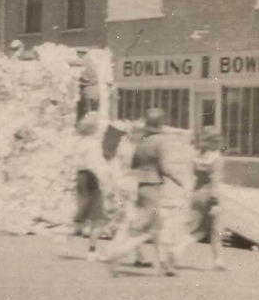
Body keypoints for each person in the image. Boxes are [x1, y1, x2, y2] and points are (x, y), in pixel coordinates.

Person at [105, 108, 185, 277]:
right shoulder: (160, 141)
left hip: (141, 185)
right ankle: (117, 254)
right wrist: (178, 179)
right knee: (149, 229)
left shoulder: (142, 141)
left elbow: (134, 164)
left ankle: (164, 265)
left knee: (157, 227)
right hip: (154, 186)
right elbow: (165, 167)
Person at [173, 127, 226, 270]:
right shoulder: (217, 158)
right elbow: (215, 181)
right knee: (215, 229)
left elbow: (190, 176)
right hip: (210, 195)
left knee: (197, 228)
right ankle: (217, 260)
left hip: (196, 194)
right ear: (216, 141)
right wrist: (215, 202)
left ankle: (178, 250)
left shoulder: (196, 157)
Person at [71, 112, 108, 261]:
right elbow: (95, 164)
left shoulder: (78, 142)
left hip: (80, 176)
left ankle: (76, 227)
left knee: (84, 210)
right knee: (98, 218)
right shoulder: (93, 144)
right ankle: (92, 250)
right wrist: (105, 179)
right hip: (91, 177)